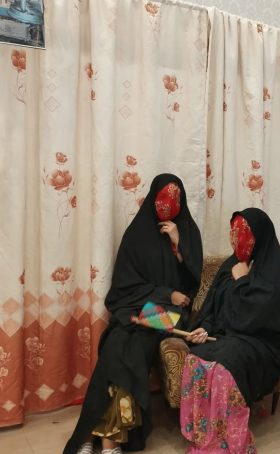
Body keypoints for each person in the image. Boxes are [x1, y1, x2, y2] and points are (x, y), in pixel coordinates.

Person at [64, 174, 203, 454]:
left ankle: (100, 437)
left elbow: (191, 284)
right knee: (115, 347)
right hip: (134, 309)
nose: (168, 204)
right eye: (163, 198)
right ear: (152, 198)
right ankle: (102, 438)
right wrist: (166, 293)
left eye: (174, 199)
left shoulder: (187, 231)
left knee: (133, 351)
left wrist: (179, 245)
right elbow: (124, 286)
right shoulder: (137, 234)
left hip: (167, 315)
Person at [180, 208, 280, 453]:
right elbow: (214, 306)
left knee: (224, 369)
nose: (236, 240)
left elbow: (255, 318)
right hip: (232, 336)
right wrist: (205, 327)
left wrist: (242, 281)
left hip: (265, 342)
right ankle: (203, 435)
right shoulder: (230, 265)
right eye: (233, 233)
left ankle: (229, 443)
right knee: (195, 361)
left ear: (260, 236)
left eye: (243, 234)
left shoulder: (277, 273)